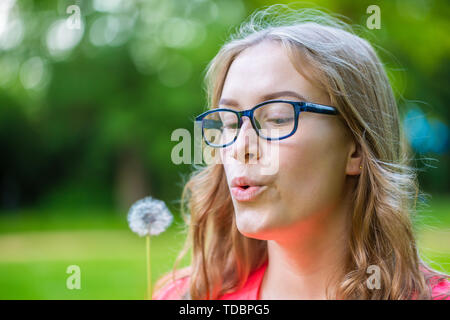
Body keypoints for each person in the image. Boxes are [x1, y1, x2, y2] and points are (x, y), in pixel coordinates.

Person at [153, 4, 450, 300]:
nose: (241, 148)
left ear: (356, 150)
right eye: (230, 123)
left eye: (278, 117)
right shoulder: (188, 296)